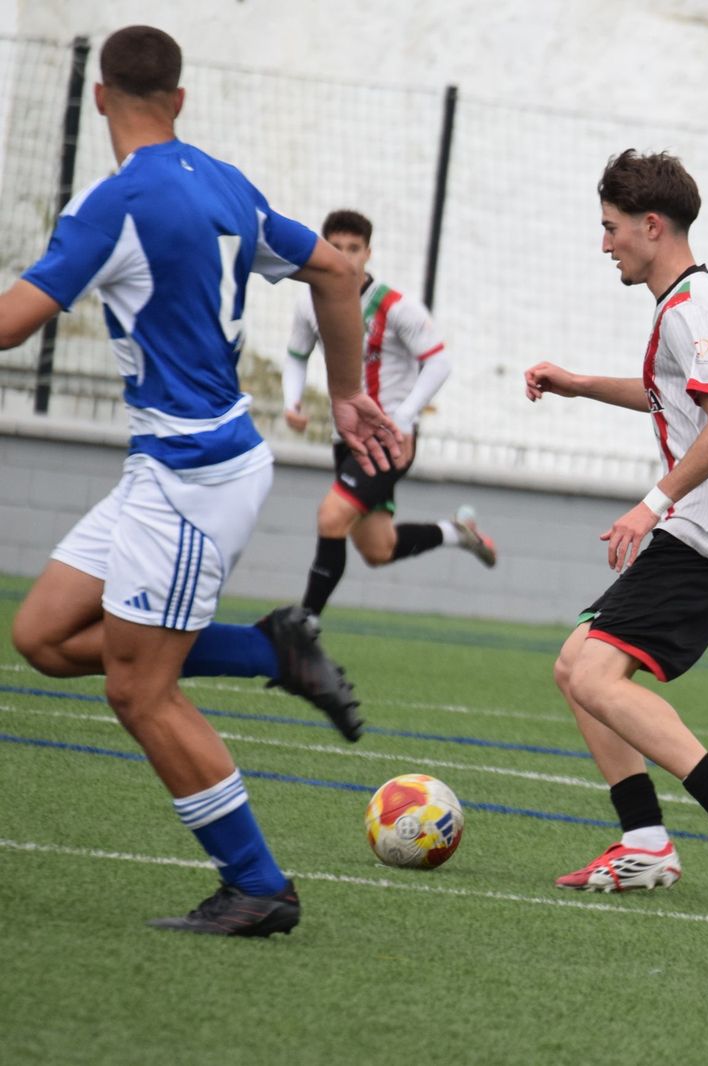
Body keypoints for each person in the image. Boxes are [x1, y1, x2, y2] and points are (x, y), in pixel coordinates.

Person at [3, 26, 402, 934]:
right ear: (179, 101)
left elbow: (12, 324)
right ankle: (275, 651)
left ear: (100, 99)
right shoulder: (224, 182)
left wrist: (341, 398)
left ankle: (258, 886)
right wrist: (348, 397)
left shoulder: (112, 202)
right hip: (175, 466)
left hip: (192, 476)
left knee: (139, 690)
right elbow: (337, 273)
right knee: (45, 634)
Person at [523, 149, 708, 910]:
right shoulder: (684, 305)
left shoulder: (691, 308)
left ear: (651, 224)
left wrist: (651, 502)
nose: (605, 245)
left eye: (610, 229)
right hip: (703, 525)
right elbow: (670, 394)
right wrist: (578, 383)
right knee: (576, 666)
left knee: (598, 673)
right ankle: (643, 843)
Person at [281, 209, 496, 618]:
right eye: (336, 247)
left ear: (369, 253)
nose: (345, 257)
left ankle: (302, 627)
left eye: (354, 248)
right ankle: (456, 532)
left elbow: (439, 363)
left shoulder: (396, 307)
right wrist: (292, 402)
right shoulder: (311, 301)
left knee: (331, 517)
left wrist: (404, 417)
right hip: (346, 439)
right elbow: (295, 356)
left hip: (388, 440)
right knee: (377, 549)